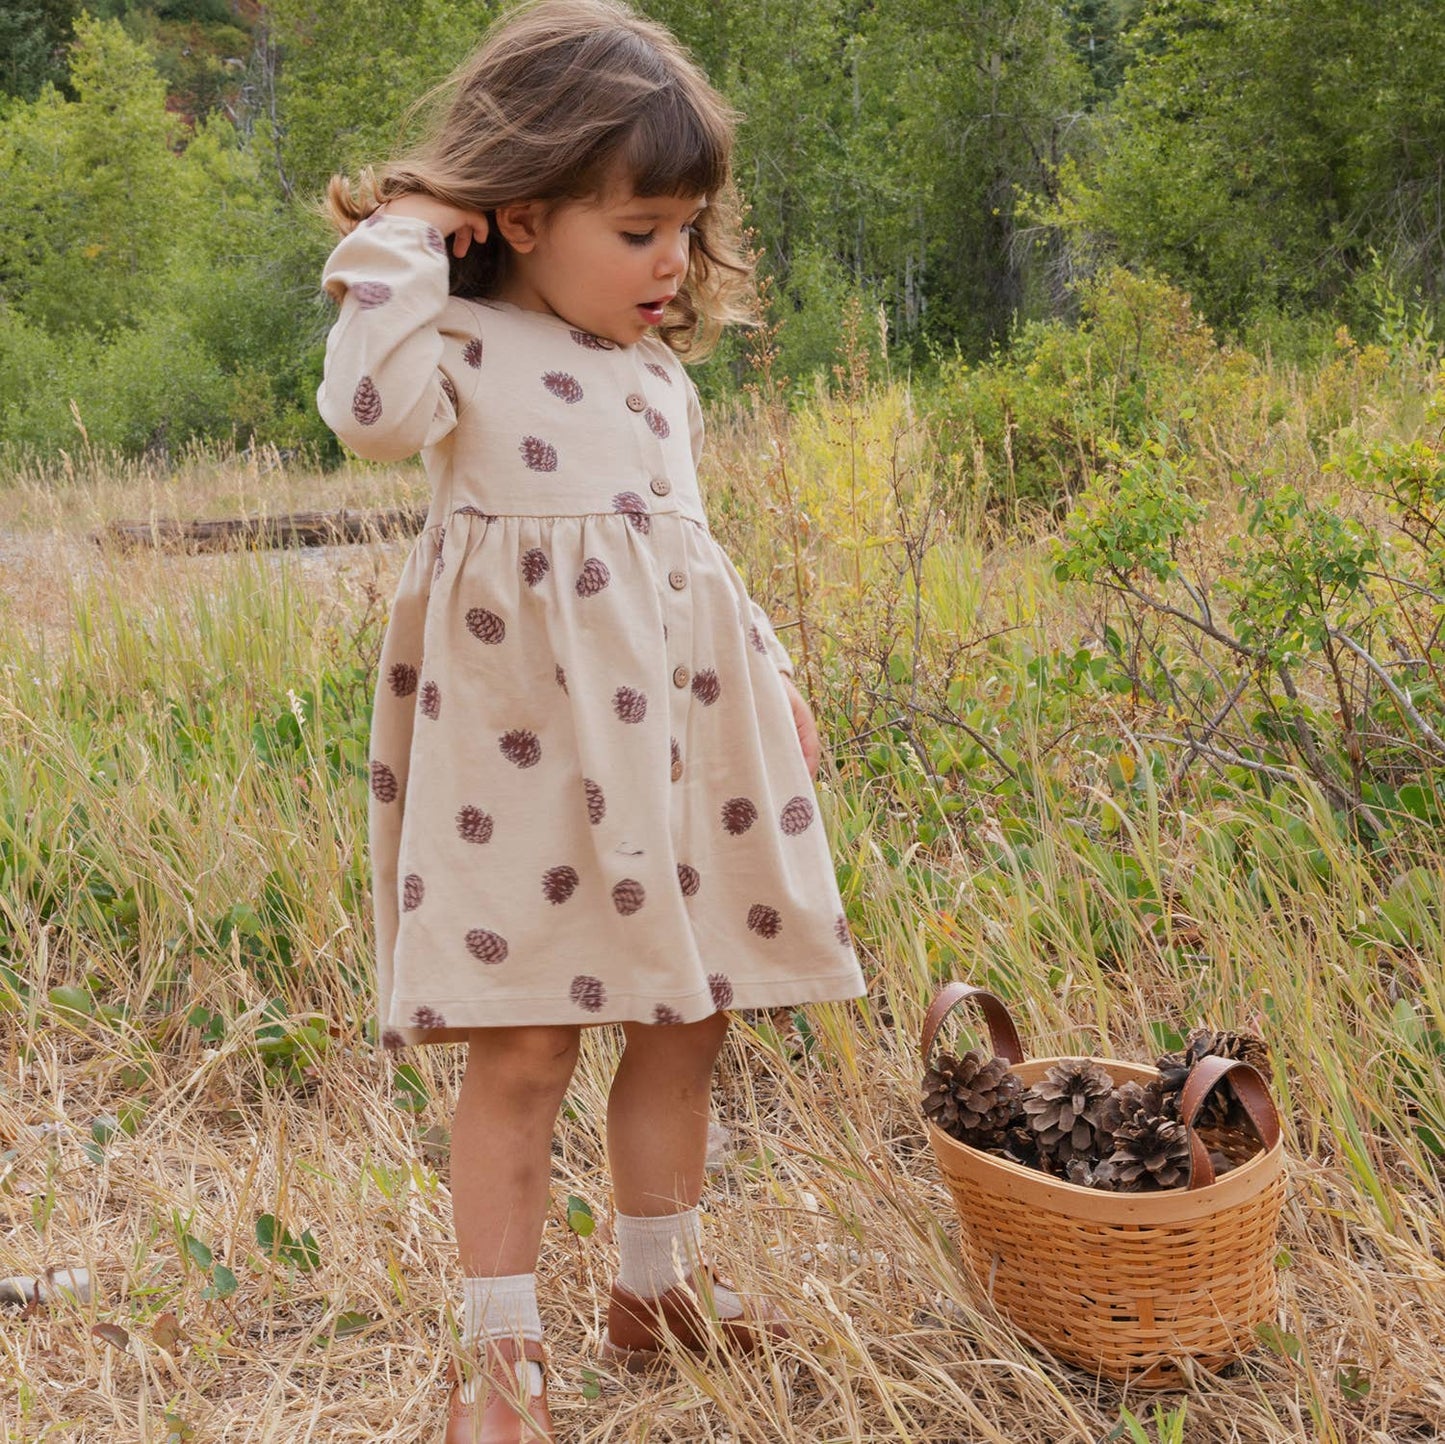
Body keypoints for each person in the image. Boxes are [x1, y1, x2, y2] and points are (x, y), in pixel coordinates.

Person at [317, 2, 866, 1438]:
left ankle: (653, 1283)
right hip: (528, 759)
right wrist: (409, 230)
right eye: (636, 229)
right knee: (529, 1044)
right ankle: (500, 1357)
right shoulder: (457, 351)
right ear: (517, 213)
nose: (671, 261)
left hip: (680, 738)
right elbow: (365, 413)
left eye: (685, 226)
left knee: (689, 1016)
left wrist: (775, 674)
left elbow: (690, 555)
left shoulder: (657, 377)